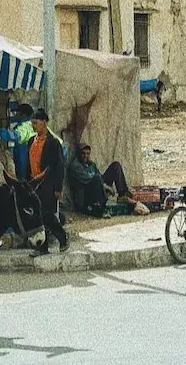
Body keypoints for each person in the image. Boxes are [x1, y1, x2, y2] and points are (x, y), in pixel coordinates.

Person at [25, 108, 68, 256]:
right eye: (32, 123)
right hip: (34, 184)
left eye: (36, 123)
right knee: (38, 216)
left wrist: (58, 188)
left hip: (48, 184)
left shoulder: (53, 143)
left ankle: (62, 237)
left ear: (44, 123)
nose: (33, 126)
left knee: (46, 214)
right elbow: (28, 164)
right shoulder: (31, 141)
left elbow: (59, 167)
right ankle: (43, 248)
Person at [67, 143, 132, 218]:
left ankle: (122, 195)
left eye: (88, 154)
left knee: (115, 165)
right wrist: (106, 187)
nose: (86, 156)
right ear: (79, 154)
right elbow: (89, 179)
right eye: (83, 153)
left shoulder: (91, 164)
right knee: (96, 178)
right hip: (85, 196)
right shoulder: (75, 165)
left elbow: (100, 177)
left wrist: (104, 187)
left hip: (97, 189)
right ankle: (101, 208)